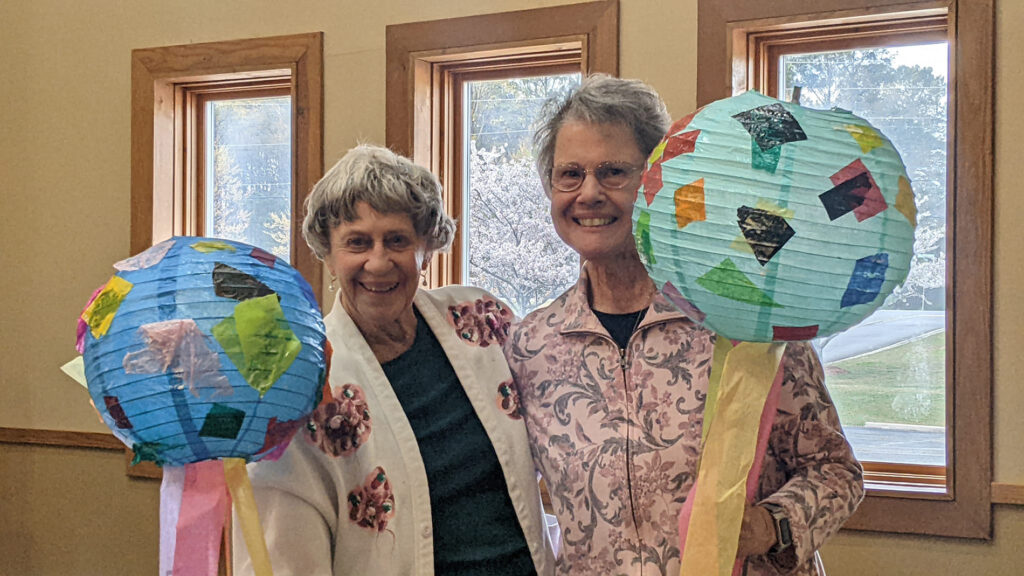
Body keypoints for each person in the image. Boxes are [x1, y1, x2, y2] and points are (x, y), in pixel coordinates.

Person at [504, 74, 864, 576]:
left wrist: (766, 526)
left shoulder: (743, 320)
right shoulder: (529, 345)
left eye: (613, 172)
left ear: (659, 181)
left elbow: (836, 471)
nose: (588, 193)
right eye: (569, 174)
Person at [235, 144, 555, 575]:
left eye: (398, 240)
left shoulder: (481, 320)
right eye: (358, 242)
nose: (379, 262)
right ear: (327, 254)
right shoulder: (306, 382)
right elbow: (286, 553)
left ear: (426, 246)